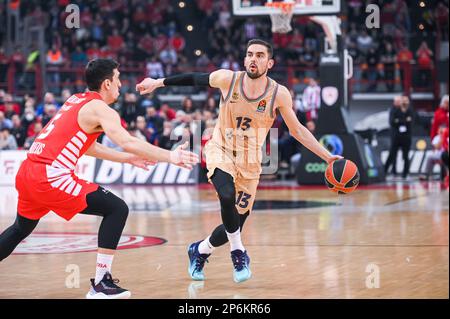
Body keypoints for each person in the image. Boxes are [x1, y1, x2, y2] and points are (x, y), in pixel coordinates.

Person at [136, 39, 341, 283]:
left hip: (251, 163)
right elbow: (194, 77)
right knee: (226, 196)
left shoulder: (279, 94)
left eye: (260, 55)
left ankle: (199, 250)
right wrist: (157, 83)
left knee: (234, 223)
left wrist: (327, 157)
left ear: (270, 62)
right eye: (249, 54)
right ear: (244, 59)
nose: (253, 59)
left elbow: (297, 130)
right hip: (220, 149)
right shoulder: (228, 79)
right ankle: (238, 251)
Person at [0, 59, 199, 299]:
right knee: (116, 208)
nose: (120, 85)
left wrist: (126, 159)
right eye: (117, 79)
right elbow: (127, 140)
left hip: (28, 171)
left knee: (21, 228)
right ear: (106, 83)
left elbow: (89, 147)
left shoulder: (76, 99)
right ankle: (102, 283)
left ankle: (102, 283)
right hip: (49, 176)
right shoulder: (101, 109)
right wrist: (171, 156)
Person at [384, 95, 414, 179]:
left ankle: (405, 174)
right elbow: (393, 122)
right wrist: (404, 121)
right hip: (396, 137)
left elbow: (411, 122)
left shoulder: (410, 110)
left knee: (405, 156)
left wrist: (399, 121)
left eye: (406, 100)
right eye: (402, 100)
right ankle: (385, 172)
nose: (404, 102)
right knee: (392, 154)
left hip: (406, 137)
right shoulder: (395, 110)